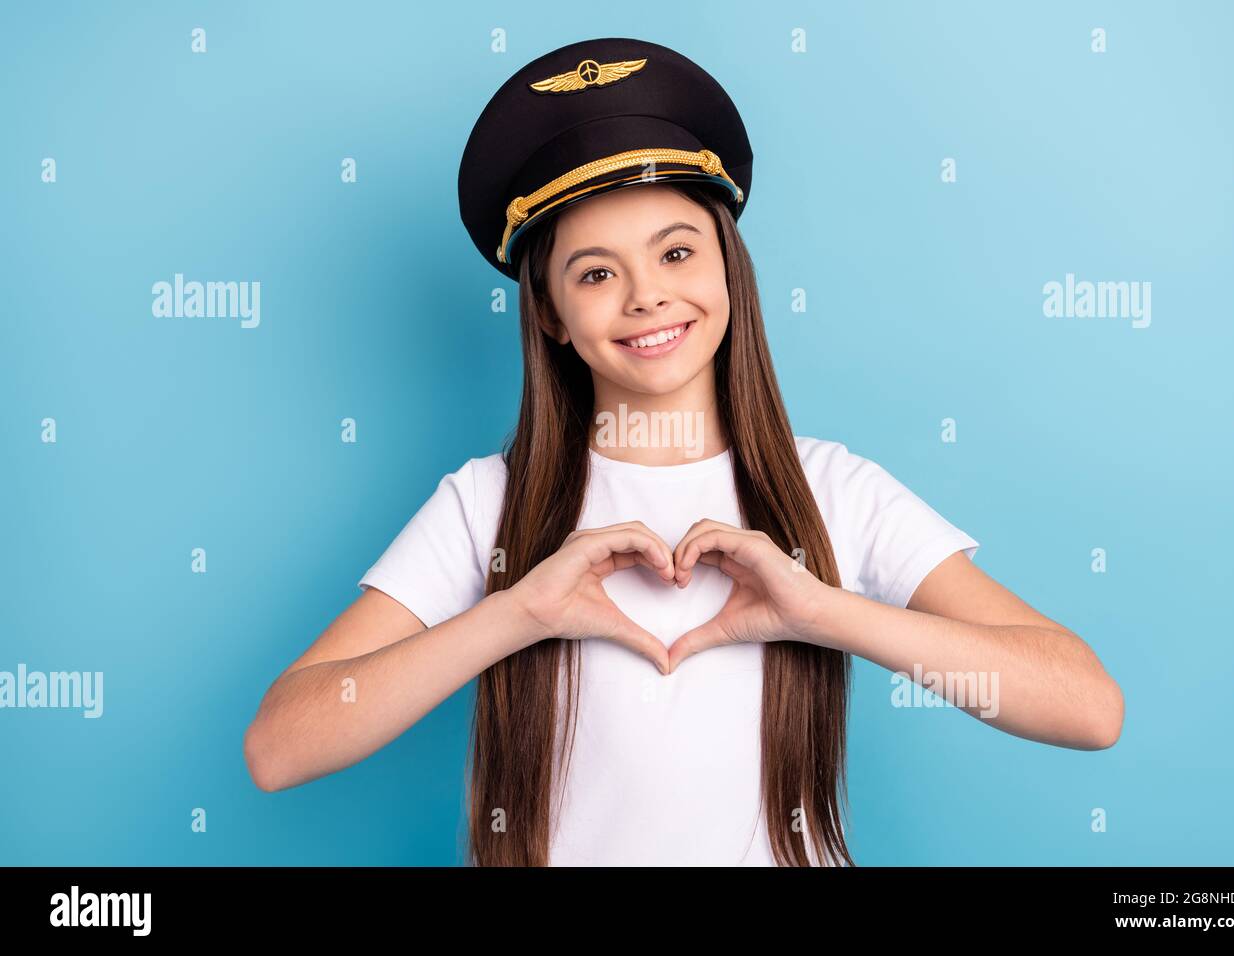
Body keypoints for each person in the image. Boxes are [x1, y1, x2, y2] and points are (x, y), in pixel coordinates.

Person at [243, 37, 1124, 867]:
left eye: (675, 252)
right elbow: (280, 747)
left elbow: (1087, 707)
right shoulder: (487, 504)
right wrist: (517, 613)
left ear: (727, 269)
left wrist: (819, 612)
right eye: (595, 272)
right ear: (548, 313)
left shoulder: (837, 489)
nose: (646, 297)